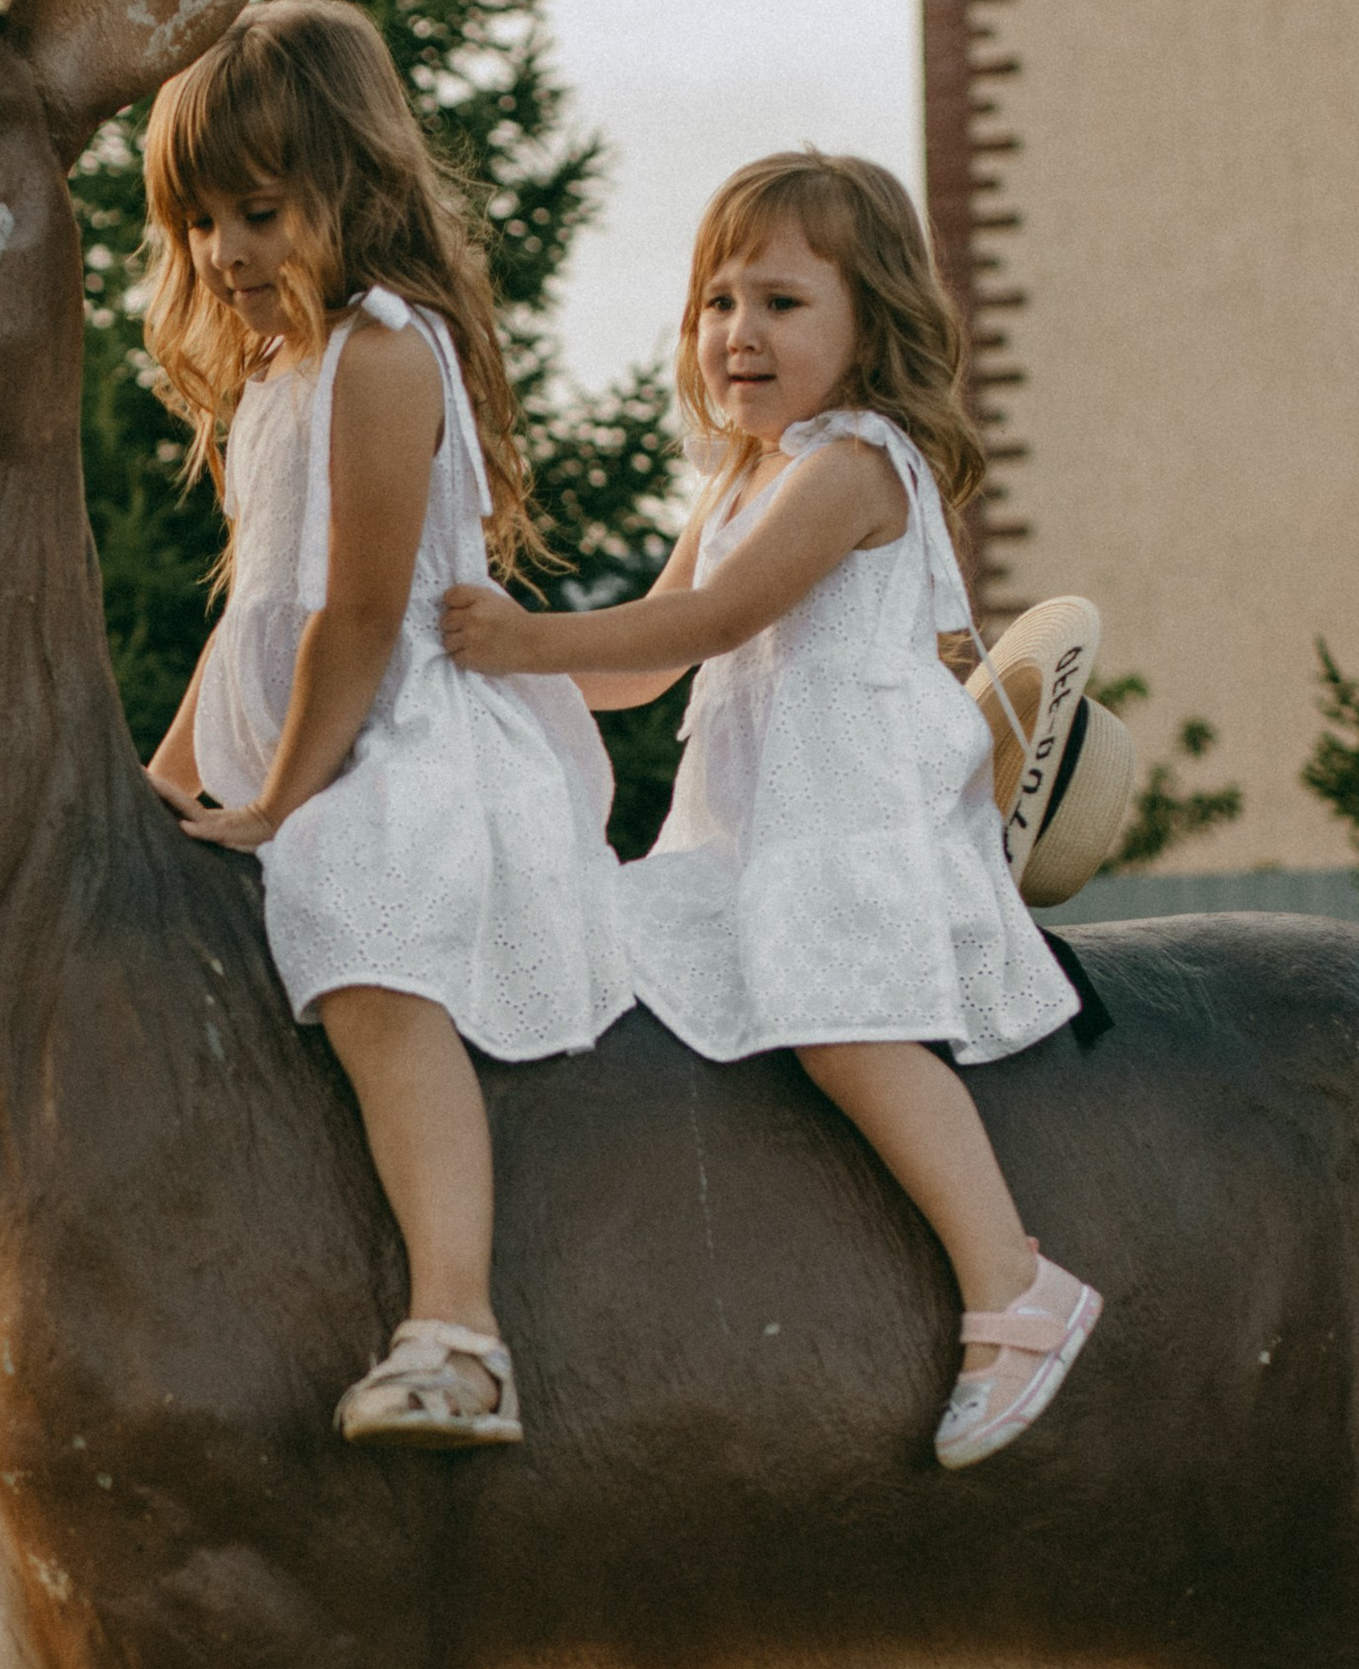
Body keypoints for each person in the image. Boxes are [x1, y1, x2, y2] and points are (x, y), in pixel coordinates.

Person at [442, 150, 1098, 1472]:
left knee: (845, 1026)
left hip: (852, 829)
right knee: (612, 945)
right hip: (750, 837)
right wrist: (488, 678)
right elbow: (649, 665)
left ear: (873, 325)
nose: (739, 331)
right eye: (717, 302)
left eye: (784, 303)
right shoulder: (742, 478)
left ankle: (1013, 1286)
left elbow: (718, 616)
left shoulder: (856, 464)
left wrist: (520, 636)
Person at [142, 1, 635, 1449]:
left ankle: (461, 1331)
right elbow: (256, 624)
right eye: (201, 222)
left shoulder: (384, 354)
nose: (227, 252)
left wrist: (283, 805)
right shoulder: (280, 374)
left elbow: (360, 618)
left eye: (260, 210)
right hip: (308, 732)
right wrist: (165, 783)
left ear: (349, 187)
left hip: (410, 749)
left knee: (365, 940)